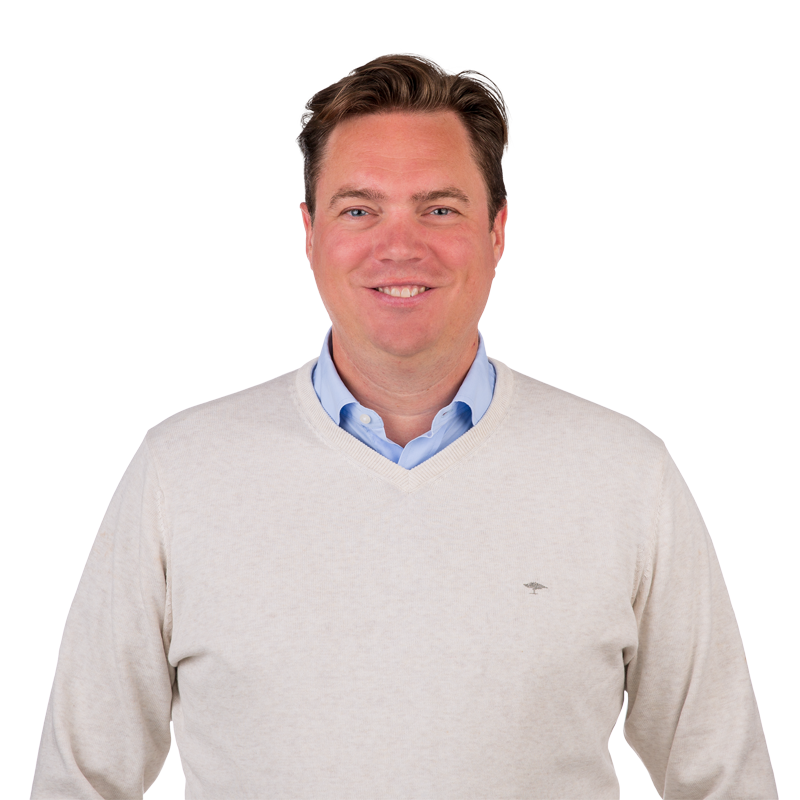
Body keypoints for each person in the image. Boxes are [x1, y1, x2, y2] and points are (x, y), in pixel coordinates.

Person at [31, 51, 779, 799]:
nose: (400, 247)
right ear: (310, 232)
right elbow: (80, 782)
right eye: (359, 210)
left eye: (439, 209)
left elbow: (724, 781)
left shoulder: (625, 476)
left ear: (498, 231)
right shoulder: (178, 473)